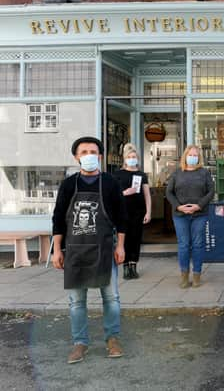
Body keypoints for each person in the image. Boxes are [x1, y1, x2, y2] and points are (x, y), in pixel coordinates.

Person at [51, 136, 127, 364]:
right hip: (75, 251)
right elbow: (58, 219)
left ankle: (112, 339)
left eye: (92, 151)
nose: (88, 155)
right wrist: (57, 250)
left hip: (104, 249)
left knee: (111, 298)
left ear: (100, 157)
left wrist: (121, 246)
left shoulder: (111, 183)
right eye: (83, 152)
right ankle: (80, 343)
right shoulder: (68, 184)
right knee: (77, 302)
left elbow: (122, 218)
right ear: (76, 157)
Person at [166, 145, 214, 289]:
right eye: (190, 154)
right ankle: (184, 276)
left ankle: (197, 274)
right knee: (184, 245)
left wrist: (198, 205)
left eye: (195, 155)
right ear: (185, 156)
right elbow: (169, 192)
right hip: (180, 215)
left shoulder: (204, 173)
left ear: (199, 158)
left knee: (198, 244)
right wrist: (178, 206)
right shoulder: (177, 173)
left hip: (199, 214)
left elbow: (211, 191)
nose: (192, 157)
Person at [112, 143, 151, 280]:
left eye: (134, 157)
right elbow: (113, 195)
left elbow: (147, 194)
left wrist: (148, 212)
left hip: (138, 212)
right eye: (129, 157)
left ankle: (133, 266)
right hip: (123, 212)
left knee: (136, 238)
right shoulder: (118, 174)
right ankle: (125, 266)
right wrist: (124, 193)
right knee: (124, 239)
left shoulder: (141, 175)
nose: (132, 159)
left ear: (138, 159)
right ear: (125, 159)